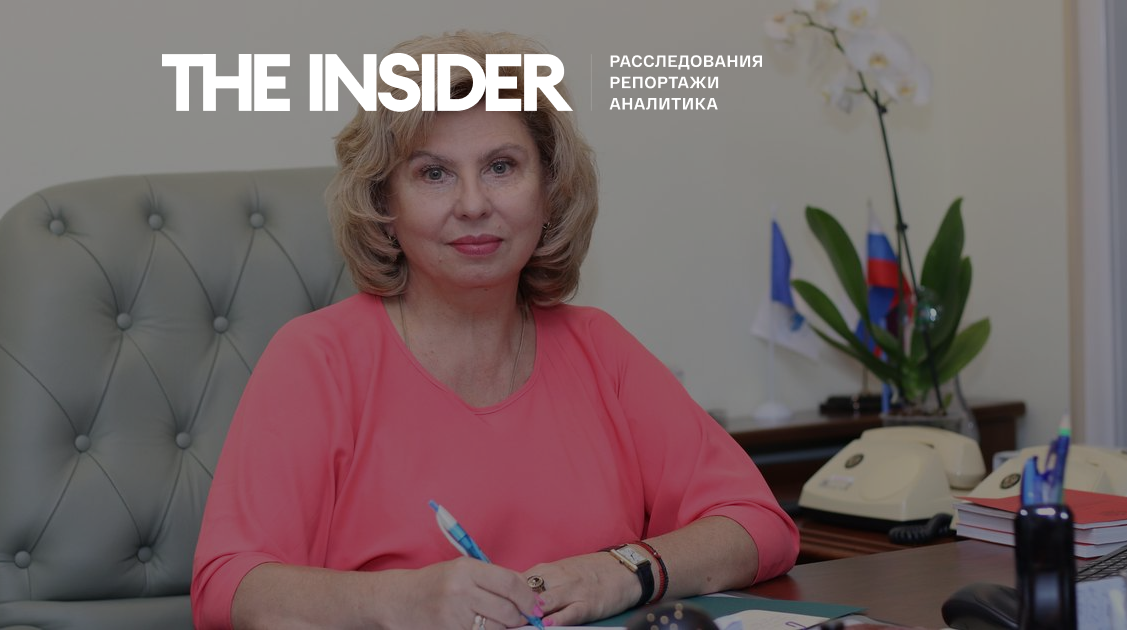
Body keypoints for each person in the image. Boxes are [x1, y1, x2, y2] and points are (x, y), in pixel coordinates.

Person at [191, 31, 798, 630]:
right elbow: (226, 586)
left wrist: (619, 570)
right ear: (384, 203)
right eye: (434, 174)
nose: (474, 204)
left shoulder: (599, 347)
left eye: (501, 167)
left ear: (549, 191)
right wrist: (398, 600)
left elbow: (759, 524)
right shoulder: (317, 359)